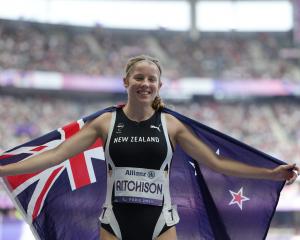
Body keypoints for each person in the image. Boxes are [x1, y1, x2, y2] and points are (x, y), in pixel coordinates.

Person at [0, 55, 299, 240]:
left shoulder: (171, 126)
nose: (145, 83)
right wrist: (4, 168)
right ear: (126, 82)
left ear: (159, 86)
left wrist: (271, 175)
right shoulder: (106, 122)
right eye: (139, 78)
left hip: (162, 224)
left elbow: (217, 164)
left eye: (151, 79)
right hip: (114, 223)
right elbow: (55, 156)